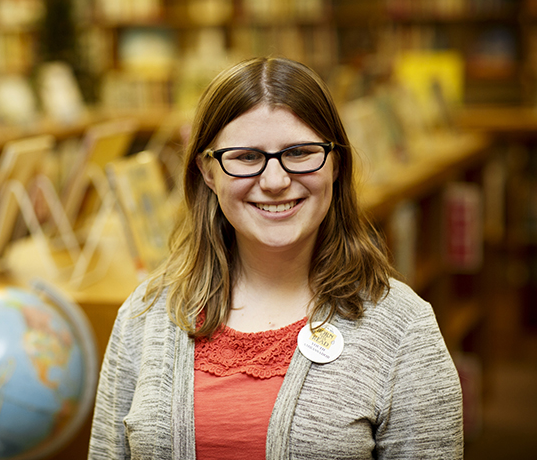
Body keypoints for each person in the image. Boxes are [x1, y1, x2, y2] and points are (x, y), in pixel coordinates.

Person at [88, 57, 463, 460]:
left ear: (336, 162)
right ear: (207, 171)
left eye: (300, 152)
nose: (274, 181)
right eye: (246, 157)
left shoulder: (403, 328)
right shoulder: (144, 316)